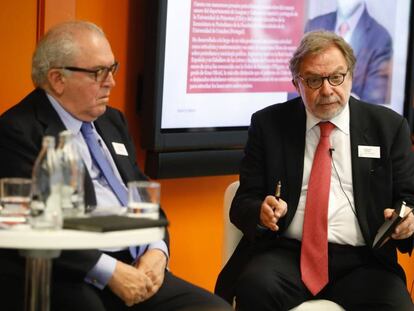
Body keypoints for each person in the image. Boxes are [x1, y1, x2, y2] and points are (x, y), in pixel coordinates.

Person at [0, 20, 230, 311]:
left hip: (135, 263)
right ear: (58, 79)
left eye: (113, 69)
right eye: (98, 72)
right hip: (72, 274)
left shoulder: (112, 121)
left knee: (215, 309)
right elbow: (33, 227)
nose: (111, 82)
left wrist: (158, 252)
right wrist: (110, 271)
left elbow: (140, 192)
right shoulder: (18, 131)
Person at [215, 30, 414, 310]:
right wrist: (261, 210)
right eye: (313, 80)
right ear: (297, 84)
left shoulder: (388, 127)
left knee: (395, 305)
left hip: (365, 261)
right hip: (286, 255)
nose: (327, 90)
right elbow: (243, 202)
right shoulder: (269, 125)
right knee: (254, 287)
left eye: (336, 77)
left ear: (351, 76)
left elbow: (409, 199)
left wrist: (407, 221)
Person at [305, 0, 392, 105]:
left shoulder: (380, 37)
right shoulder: (313, 25)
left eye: (336, 77)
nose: (327, 91)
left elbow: (374, 101)